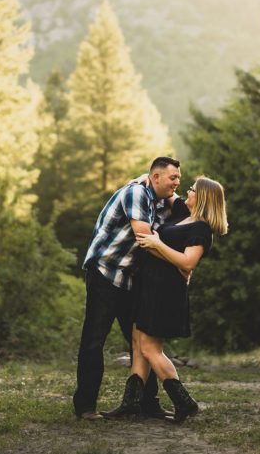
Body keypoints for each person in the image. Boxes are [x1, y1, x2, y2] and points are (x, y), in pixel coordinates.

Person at [104, 176, 228, 423]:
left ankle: (184, 402)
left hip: (165, 291)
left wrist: (157, 243)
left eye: (192, 189)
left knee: (150, 348)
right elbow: (163, 189)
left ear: (201, 197)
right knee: (138, 342)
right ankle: (131, 403)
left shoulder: (201, 229)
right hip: (148, 285)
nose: (187, 191)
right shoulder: (183, 211)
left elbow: (188, 262)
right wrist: (143, 178)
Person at [72, 156, 183, 420]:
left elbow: (181, 212)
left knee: (141, 340)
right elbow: (145, 238)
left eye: (179, 177)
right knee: (93, 340)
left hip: (130, 279)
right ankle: (85, 406)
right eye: (173, 178)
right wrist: (180, 265)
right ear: (156, 177)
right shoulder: (136, 192)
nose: (178, 182)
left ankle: (147, 404)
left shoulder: (158, 198)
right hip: (105, 273)